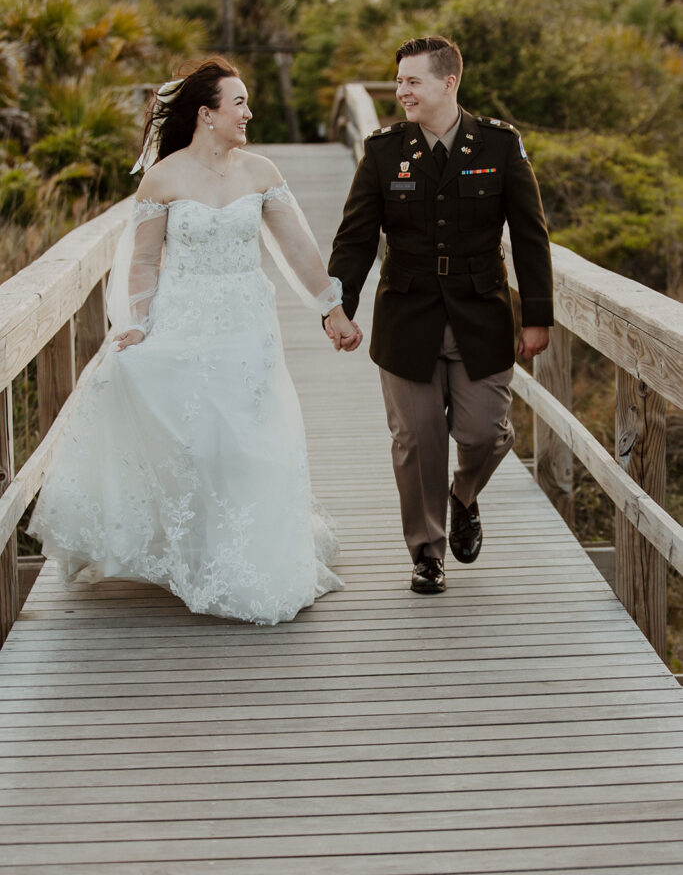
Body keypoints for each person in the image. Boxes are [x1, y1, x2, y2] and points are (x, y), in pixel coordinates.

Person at [29, 57, 361, 625]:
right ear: (206, 114)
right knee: (194, 435)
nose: (248, 113)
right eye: (239, 103)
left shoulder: (261, 173)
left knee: (246, 439)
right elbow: (141, 264)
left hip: (248, 324)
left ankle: (250, 553)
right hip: (183, 319)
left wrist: (330, 307)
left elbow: (300, 250)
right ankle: (190, 549)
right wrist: (134, 323)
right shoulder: (163, 178)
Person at [325, 36, 553, 594]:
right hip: (408, 315)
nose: (401, 90)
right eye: (399, 80)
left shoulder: (500, 145)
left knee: (483, 434)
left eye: (412, 81)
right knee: (417, 438)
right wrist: (337, 306)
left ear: (448, 83)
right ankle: (426, 552)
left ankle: (464, 495)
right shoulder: (381, 151)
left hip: (482, 312)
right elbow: (354, 239)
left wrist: (538, 315)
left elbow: (529, 234)